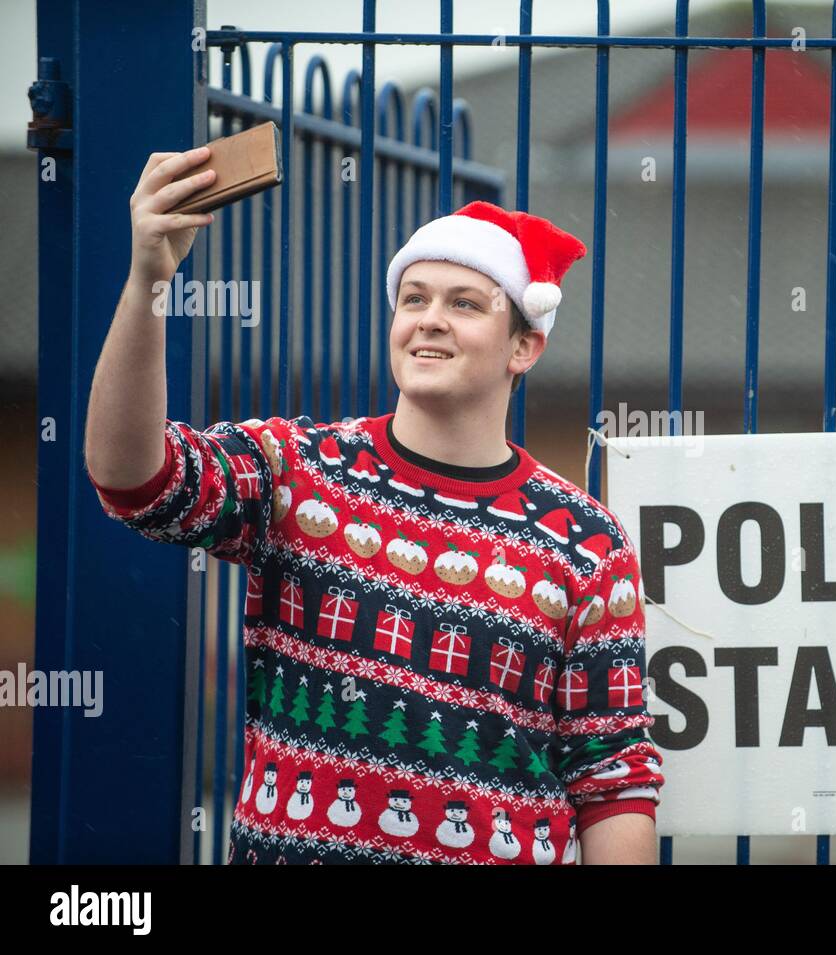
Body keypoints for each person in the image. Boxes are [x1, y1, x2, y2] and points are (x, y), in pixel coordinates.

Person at [83, 147, 664, 865]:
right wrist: (147, 283)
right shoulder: (296, 469)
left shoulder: (585, 541)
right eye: (413, 297)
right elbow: (134, 479)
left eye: (464, 303)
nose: (430, 319)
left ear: (525, 346)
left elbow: (611, 775)